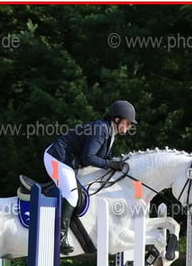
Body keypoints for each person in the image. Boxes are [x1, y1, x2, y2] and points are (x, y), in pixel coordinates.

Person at [43, 100, 137, 254]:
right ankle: (59, 237)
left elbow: (102, 158)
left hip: (69, 161)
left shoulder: (110, 131)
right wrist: (110, 164)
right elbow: (88, 158)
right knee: (72, 194)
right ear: (117, 119)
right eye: (127, 123)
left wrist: (113, 163)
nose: (129, 126)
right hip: (56, 158)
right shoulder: (101, 129)